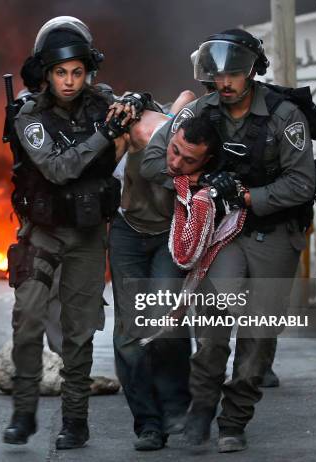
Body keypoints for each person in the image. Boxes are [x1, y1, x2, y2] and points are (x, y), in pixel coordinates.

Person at [142, 29, 316, 453]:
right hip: (225, 234)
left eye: (235, 74)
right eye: (218, 75)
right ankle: (202, 410)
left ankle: (235, 419)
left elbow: (302, 184)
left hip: (274, 232)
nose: (225, 83)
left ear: (252, 72)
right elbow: (153, 161)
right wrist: (200, 181)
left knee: (258, 337)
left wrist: (243, 195)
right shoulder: (202, 112)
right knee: (212, 324)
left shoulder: (284, 116)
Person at [3, 16, 130, 450]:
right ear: (46, 73)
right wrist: (104, 136)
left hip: (89, 235)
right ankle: (23, 413)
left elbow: (146, 122)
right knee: (27, 323)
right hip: (43, 233)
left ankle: (75, 420)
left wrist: (135, 109)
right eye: (60, 73)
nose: (70, 82)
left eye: (77, 72)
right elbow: (57, 169)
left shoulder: (104, 104)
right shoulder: (29, 115)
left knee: (79, 334)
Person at [109, 90, 196, 451]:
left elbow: (188, 96)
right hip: (128, 234)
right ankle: (147, 422)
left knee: (166, 319)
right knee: (130, 332)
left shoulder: (183, 131)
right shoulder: (128, 129)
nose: (170, 159)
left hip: (167, 236)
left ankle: (177, 402)